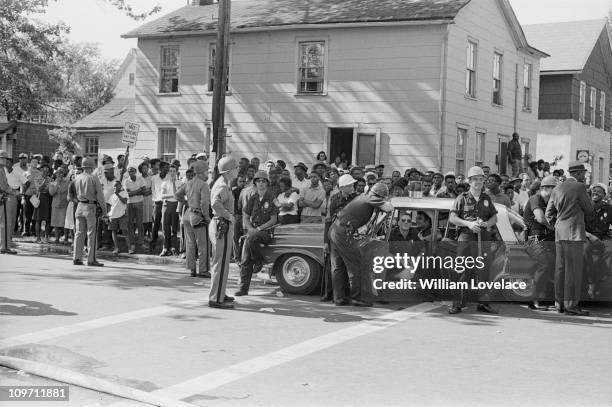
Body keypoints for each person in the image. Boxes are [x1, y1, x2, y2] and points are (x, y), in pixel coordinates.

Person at [329, 182, 394, 306]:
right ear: (380, 196)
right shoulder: (371, 198)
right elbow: (389, 208)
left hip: (335, 230)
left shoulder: (362, 196)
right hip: (344, 234)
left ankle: (339, 298)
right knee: (357, 265)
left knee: (338, 267)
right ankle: (357, 298)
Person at [545, 161, 594, 315]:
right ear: (578, 173)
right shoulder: (579, 187)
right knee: (573, 270)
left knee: (560, 269)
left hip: (560, 233)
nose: (584, 176)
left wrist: (557, 226)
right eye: (583, 173)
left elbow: (548, 214)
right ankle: (571, 305)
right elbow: (589, 209)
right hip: (574, 233)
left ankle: (559, 303)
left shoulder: (557, 187)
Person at [448, 166, 498, 315]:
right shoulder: (461, 198)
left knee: (484, 271)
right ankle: (457, 304)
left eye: (480, 179)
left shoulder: (487, 198)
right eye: (475, 179)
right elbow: (452, 218)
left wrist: (486, 224)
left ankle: (483, 303)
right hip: (466, 237)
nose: (478, 182)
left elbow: (494, 217)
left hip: (483, 237)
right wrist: (469, 224)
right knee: (461, 270)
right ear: (469, 181)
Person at [236, 170, 278, 296]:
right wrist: (249, 228)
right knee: (245, 260)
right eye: (258, 181)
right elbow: (245, 215)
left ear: (267, 183)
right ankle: (243, 289)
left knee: (250, 240)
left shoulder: (272, 198)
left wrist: (258, 230)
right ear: (255, 183)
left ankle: (258, 260)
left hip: (266, 232)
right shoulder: (253, 197)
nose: (261, 183)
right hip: (253, 232)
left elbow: (274, 219)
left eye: (263, 181)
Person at [208, 156, 239, 309]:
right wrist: (229, 216)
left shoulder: (223, 183)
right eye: (236, 168)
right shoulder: (222, 185)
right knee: (220, 264)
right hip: (222, 224)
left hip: (221, 224)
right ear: (229, 170)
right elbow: (215, 203)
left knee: (223, 263)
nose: (238, 170)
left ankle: (220, 293)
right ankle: (216, 298)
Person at [523, 175, 557, 310]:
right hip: (535, 241)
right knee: (545, 264)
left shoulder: (551, 202)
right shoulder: (535, 199)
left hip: (548, 240)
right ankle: (533, 299)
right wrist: (553, 228)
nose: (556, 192)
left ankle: (554, 299)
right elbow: (540, 218)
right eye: (554, 189)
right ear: (545, 188)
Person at [322, 174, 358, 302]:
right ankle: (339, 298)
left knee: (351, 268)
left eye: (352, 184)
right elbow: (328, 220)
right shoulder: (334, 199)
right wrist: (326, 241)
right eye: (349, 185)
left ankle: (351, 296)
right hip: (335, 237)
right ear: (342, 187)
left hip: (350, 237)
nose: (352, 187)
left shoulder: (356, 198)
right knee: (337, 268)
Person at [175, 160, 211, 278]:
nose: (208, 173)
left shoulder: (189, 183)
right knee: (203, 244)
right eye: (207, 171)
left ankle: (192, 269)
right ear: (202, 171)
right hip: (198, 215)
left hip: (188, 213)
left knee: (190, 243)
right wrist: (206, 217)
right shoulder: (203, 184)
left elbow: (177, 194)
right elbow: (205, 203)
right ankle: (203, 269)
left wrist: (185, 202)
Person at [72, 157, 106, 266]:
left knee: (79, 233)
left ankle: (76, 258)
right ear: (92, 167)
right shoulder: (93, 178)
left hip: (79, 205)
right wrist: (104, 210)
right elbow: (100, 196)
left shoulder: (77, 177)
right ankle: (91, 259)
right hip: (90, 206)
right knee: (92, 234)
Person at [584, 183, 612, 297]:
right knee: (585, 250)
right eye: (593, 191)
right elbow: (578, 226)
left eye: (598, 191)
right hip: (587, 236)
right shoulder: (585, 207)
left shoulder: (609, 209)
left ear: (604, 195)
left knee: (610, 248)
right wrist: (590, 236)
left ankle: (600, 279)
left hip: (602, 237)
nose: (595, 192)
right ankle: (591, 282)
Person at [160, 164, 183, 256]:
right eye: (171, 171)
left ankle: (173, 247)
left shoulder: (179, 183)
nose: (172, 173)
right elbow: (162, 196)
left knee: (174, 228)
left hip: (175, 206)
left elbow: (179, 196)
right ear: (168, 173)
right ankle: (165, 247)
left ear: (176, 172)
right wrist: (173, 195)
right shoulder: (165, 183)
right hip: (166, 205)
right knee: (165, 228)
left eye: (174, 171)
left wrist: (174, 186)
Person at [124, 166, 146, 252]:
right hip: (130, 203)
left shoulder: (140, 179)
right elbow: (127, 194)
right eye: (129, 171)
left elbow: (144, 191)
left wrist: (133, 192)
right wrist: (138, 191)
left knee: (140, 223)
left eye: (132, 171)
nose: (131, 173)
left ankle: (141, 242)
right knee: (130, 224)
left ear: (135, 171)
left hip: (139, 202)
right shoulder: (126, 181)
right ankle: (132, 243)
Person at [0, 151, 17, 254]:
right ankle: (4, 247)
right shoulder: (0, 169)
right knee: (5, 223)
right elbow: (4, 186)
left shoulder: (2, 169)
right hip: (2, 197)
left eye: (5, 159)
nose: (5, 160)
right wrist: (14, 192)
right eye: (3, 158)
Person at [108, 180, 131, 254]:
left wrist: (117, 194)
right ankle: (116, 248)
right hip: (113, 216)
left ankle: (129, 248)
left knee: (125, 231)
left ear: (120, 186)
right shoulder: (112, 196)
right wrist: (108, 215)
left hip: (122, 215)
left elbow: (124, 201)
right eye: (114, 186)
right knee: (114, 232)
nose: (115, 187)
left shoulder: (124, 193)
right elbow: (110, 206)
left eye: (116, 185)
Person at [150, 161, 169, 252]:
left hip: (166, 203)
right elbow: (153, 190)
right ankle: (153, 242)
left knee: (166, 224)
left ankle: (166, 245)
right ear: (160, 169)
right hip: (157, 203)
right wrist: (156, 200)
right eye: (166, 168)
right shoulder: (154, 178)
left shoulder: (169, 177)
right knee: (155, 224)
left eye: (168, 168)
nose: (168, 170)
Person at [49, 167, 70, 244]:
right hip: (55, 205)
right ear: (56, 174)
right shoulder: (52, 183)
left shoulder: (67, 182)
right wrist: (57, 183)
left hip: (64, 204)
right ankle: (57, 238)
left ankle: (66, 239)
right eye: (58, 173)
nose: (60, 174)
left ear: (63, 174)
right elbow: (51, 193)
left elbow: (64, 191)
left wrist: (60, 184)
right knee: (55, 222)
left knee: (65, 223)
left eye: (61, 173)